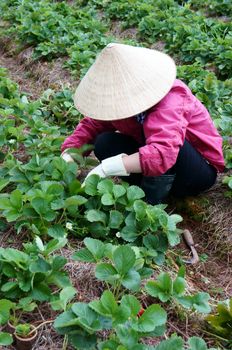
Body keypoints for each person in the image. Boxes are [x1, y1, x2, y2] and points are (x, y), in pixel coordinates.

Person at [61, 43, 225, 204]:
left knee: (169, 143)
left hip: (195, 170)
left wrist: (107, 168)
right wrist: (69, 155)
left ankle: (152, 202)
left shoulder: (171, 97)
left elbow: (162, 151)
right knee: (104, 142)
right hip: (156, 157)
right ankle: (143, 191)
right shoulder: (118, 102)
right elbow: (92, 125)